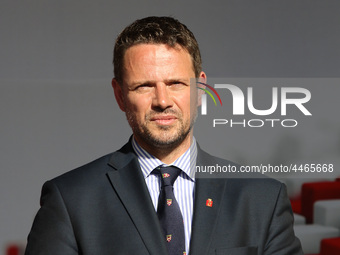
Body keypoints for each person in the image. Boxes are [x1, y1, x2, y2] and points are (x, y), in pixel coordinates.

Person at [25, 16, 303, 255]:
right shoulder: (71, 200)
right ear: (120, 95)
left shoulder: (262, 199)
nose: (162, 100)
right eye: (144, 86)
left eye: (175, 83)